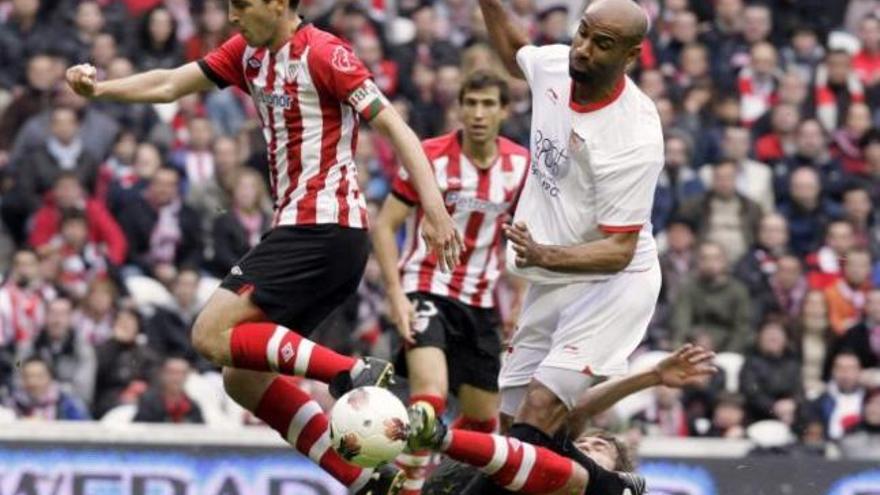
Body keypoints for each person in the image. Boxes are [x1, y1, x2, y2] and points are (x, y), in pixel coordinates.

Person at [66, 0, 461, 492]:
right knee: (242, 378)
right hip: (313, 234)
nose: (232, 17)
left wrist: (435, 209)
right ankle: (364, 481)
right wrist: (100, 88)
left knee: (209, 333)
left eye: (242, 5)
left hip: (323, 226)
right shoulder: (247, 53)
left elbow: (397, 129)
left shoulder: (325, 54)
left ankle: (353, 373)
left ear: (279, 4)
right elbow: (169, 83)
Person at [475, 1, 663, 494]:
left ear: (630, 55)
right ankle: (611, 489)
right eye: (582, 34)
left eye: (601, 45)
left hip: (613, 283)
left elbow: (618, 250)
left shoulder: (634, 135)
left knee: (537, 412)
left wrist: (543, 256)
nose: (582, 50)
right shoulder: (559, 64)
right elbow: (517, 49)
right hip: (553, 269)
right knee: (513, 427)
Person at [371, 69, 530, 494]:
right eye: (471, 104)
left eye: (488, 104)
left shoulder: (520, 166)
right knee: (430, 400)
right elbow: (385, 226)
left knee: (482, 422)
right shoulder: (430, 158)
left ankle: (438, 484)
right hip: (425, 288)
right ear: (459, 108)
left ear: (504, 111)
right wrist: (395, 295)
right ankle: (405, 488)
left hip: (479, 301)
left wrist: (520, 300)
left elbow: (524, 237)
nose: (478, 114)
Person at [411, 344, 717, 495]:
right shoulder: (553, 450)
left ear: (617, 470)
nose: (590, 443)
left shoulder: (602, 484)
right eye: (586, 441)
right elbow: (576, 409)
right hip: (447, 484)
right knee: (529, 419)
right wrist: (652, 376)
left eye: (601, 447)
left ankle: (441, 438)